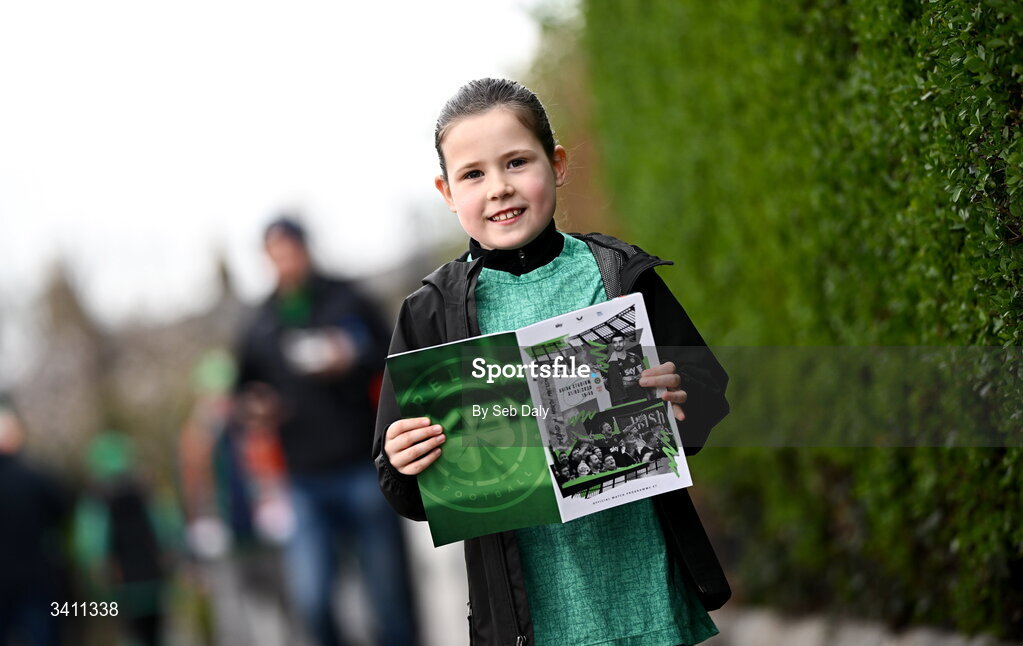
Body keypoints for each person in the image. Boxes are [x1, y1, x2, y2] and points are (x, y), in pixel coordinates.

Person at [373, 78, 731, 645]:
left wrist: (682, 394)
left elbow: (708, 391)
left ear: (556, 164)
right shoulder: (429, 314)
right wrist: (402, 459)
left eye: (517, 162)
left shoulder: (618, 275)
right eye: (473, 174)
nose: (499, 188)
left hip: (645, 580)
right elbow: (404, 486)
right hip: (529, 614)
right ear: (447, 192)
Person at [235, 217, 418, 646]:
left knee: (387, 594)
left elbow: (394, 356)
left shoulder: (347, 298)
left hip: (364, 467)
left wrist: (349, 358)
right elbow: (242, 394)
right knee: (312, 598)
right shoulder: (259, 324)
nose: (284, 261)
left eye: (289, 250)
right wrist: (256, 407)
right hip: (302, 480)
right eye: (274, 254)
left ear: (305, 248)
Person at [607, 335, 652, 405]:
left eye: (620, 341)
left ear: (624, 342)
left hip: (640, 392)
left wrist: (632, 378)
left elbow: (644, 374)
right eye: (615, 342)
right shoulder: (610, 363)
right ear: (612, 345)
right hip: (624, 398)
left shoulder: (634, 357)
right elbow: (610, 383)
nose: (618, 344)